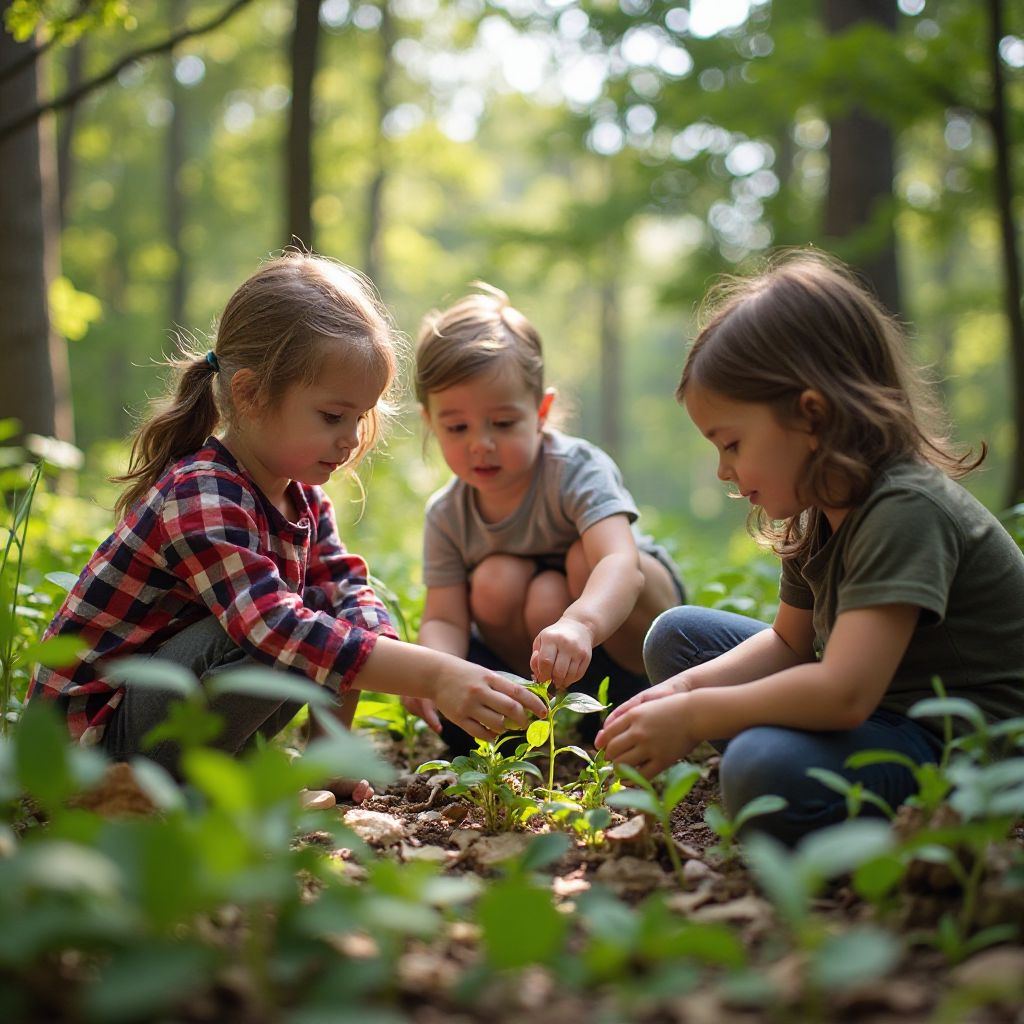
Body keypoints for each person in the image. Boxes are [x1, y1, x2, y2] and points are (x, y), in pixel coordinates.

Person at [28, 253, 546, 802]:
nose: (349, 439)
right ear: (250, 394)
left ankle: (311, 764)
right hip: (88, 746)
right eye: (331, 417)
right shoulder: (201, 492)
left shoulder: (301, 498)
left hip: (164, 714)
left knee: (339, 614)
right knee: (290, 632)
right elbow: (273, 629)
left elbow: (348, 592)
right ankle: (170, 793)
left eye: (359, 417)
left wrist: (401, 658)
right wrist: (433, 675)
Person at [596, 249, 1024, 845]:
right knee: (678, 640)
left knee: (759, 769)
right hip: (877, 709)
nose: (723, 471)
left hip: (961, 747)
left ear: (811, 417)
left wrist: (695, 717)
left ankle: (894, 826)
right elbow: (789, 643)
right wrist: (683, 691)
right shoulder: (820, 510)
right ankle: (796, 760)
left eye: (732, 444)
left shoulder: (905, 509)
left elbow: (843, 692)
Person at [405, 284, 684, 755]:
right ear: (431, 423)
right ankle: (540, 709)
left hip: (625, 627)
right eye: (457, 427)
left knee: (583, 562)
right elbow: (445, 618)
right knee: (497, 580)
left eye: (503, 422)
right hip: (545, 645)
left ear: (541, 413)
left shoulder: (574, 469)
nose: (481, 444)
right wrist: (430, 669)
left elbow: (621, 563)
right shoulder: (449, 513)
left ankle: (635, 695)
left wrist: (580, 623)